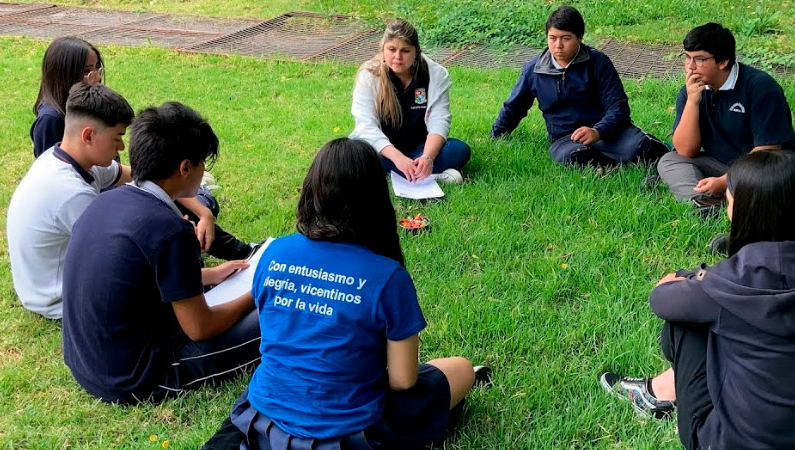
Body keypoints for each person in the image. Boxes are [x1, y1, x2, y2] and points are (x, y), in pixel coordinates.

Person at [217, 138, 488, 449]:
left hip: (263, 418)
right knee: (461, 369)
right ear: (376, 198)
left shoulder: (274, 252)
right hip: (346, 433)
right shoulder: (387, 276)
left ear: (311, 189)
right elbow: (403, 381)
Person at [602, 150, 795, 450]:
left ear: (741, 210)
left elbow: (661, 300)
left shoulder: (725, 283)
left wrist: (692, 277)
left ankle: (656, 393)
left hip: (732, 443)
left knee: (686, 325)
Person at [61, 102, 261, 404]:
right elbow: (200, 328)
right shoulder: (170, 230)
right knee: (276, 316)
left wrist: (206, 275)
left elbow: (139, 277)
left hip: (87, 364)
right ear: (185, 168)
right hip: (139, 378)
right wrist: (258, 291)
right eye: (202, 162)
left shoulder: (106, 201)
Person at [31, 36, 251, 260]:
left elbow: (142, 175)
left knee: (177, 200)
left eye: (98, 68)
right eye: (88, 72)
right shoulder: (71, 181)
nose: (96, 77)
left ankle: (234, 243)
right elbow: (117, 251)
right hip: (103, 218)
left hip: (117, 196)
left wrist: (199, 210)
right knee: (169, 215)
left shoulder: (97, 166)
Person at [8, 83, 133, 319]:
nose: (122, 147)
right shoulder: (72, 194)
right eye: (117, 138)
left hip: (39, 285)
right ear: (88, 135)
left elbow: (131, 174)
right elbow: (121, 255)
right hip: (57, 299)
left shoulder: (62, 157)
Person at [491, 6, 665, 167]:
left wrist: (597, 131)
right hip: (566, 138)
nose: (558, 46)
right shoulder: (533, 70)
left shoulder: (598, 63)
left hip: (606, 131)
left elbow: (618, 108)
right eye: (552, 38)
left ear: (580, 38)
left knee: (640, 146)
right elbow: (514, 107)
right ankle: (611, 163)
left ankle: (655, 154)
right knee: (570, 157)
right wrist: (495, 135)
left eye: (566, 39)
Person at [655, 23, 795, 216]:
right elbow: (686, 150)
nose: (690, 67)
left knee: (766, 186)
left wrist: (726, 180)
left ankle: (720, 196)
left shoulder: (760, 88)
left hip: (766, 169)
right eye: (687, 58)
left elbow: (767, 151)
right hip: (720, 163)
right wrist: (692, 102)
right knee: (670, 160)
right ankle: (703, 203)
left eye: (699, 59)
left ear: (723, 61)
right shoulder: (691, 91)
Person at [350, 20, 471, 183]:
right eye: (391, 49)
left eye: (405, 51)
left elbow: (439, 119)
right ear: (383, 48)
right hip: (384, 152)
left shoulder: (435, 74)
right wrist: (398, 158)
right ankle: (433, 176)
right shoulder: (369, 76)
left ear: (416, 52)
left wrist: (427, 158)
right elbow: (365, 126)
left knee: (458, 150)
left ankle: (405, 173)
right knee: (353, 155)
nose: (397, 57)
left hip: (419, 150)